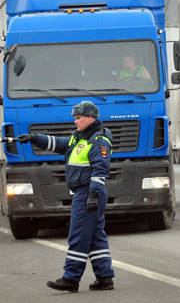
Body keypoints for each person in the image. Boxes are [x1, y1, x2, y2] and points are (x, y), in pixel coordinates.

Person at [16, 101, 115, 292]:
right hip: (84, 192)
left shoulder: (98, 140)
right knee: (95, 236)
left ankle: (71, 278)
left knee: (77, 235)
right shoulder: (79, 138)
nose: (75, 122)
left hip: (88, 192)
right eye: (75, 118)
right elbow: (59, 144)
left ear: (90, 118)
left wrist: (93, 195)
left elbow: (100, 169)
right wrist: (34, 138)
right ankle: (105, 278)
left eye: (78, 118)